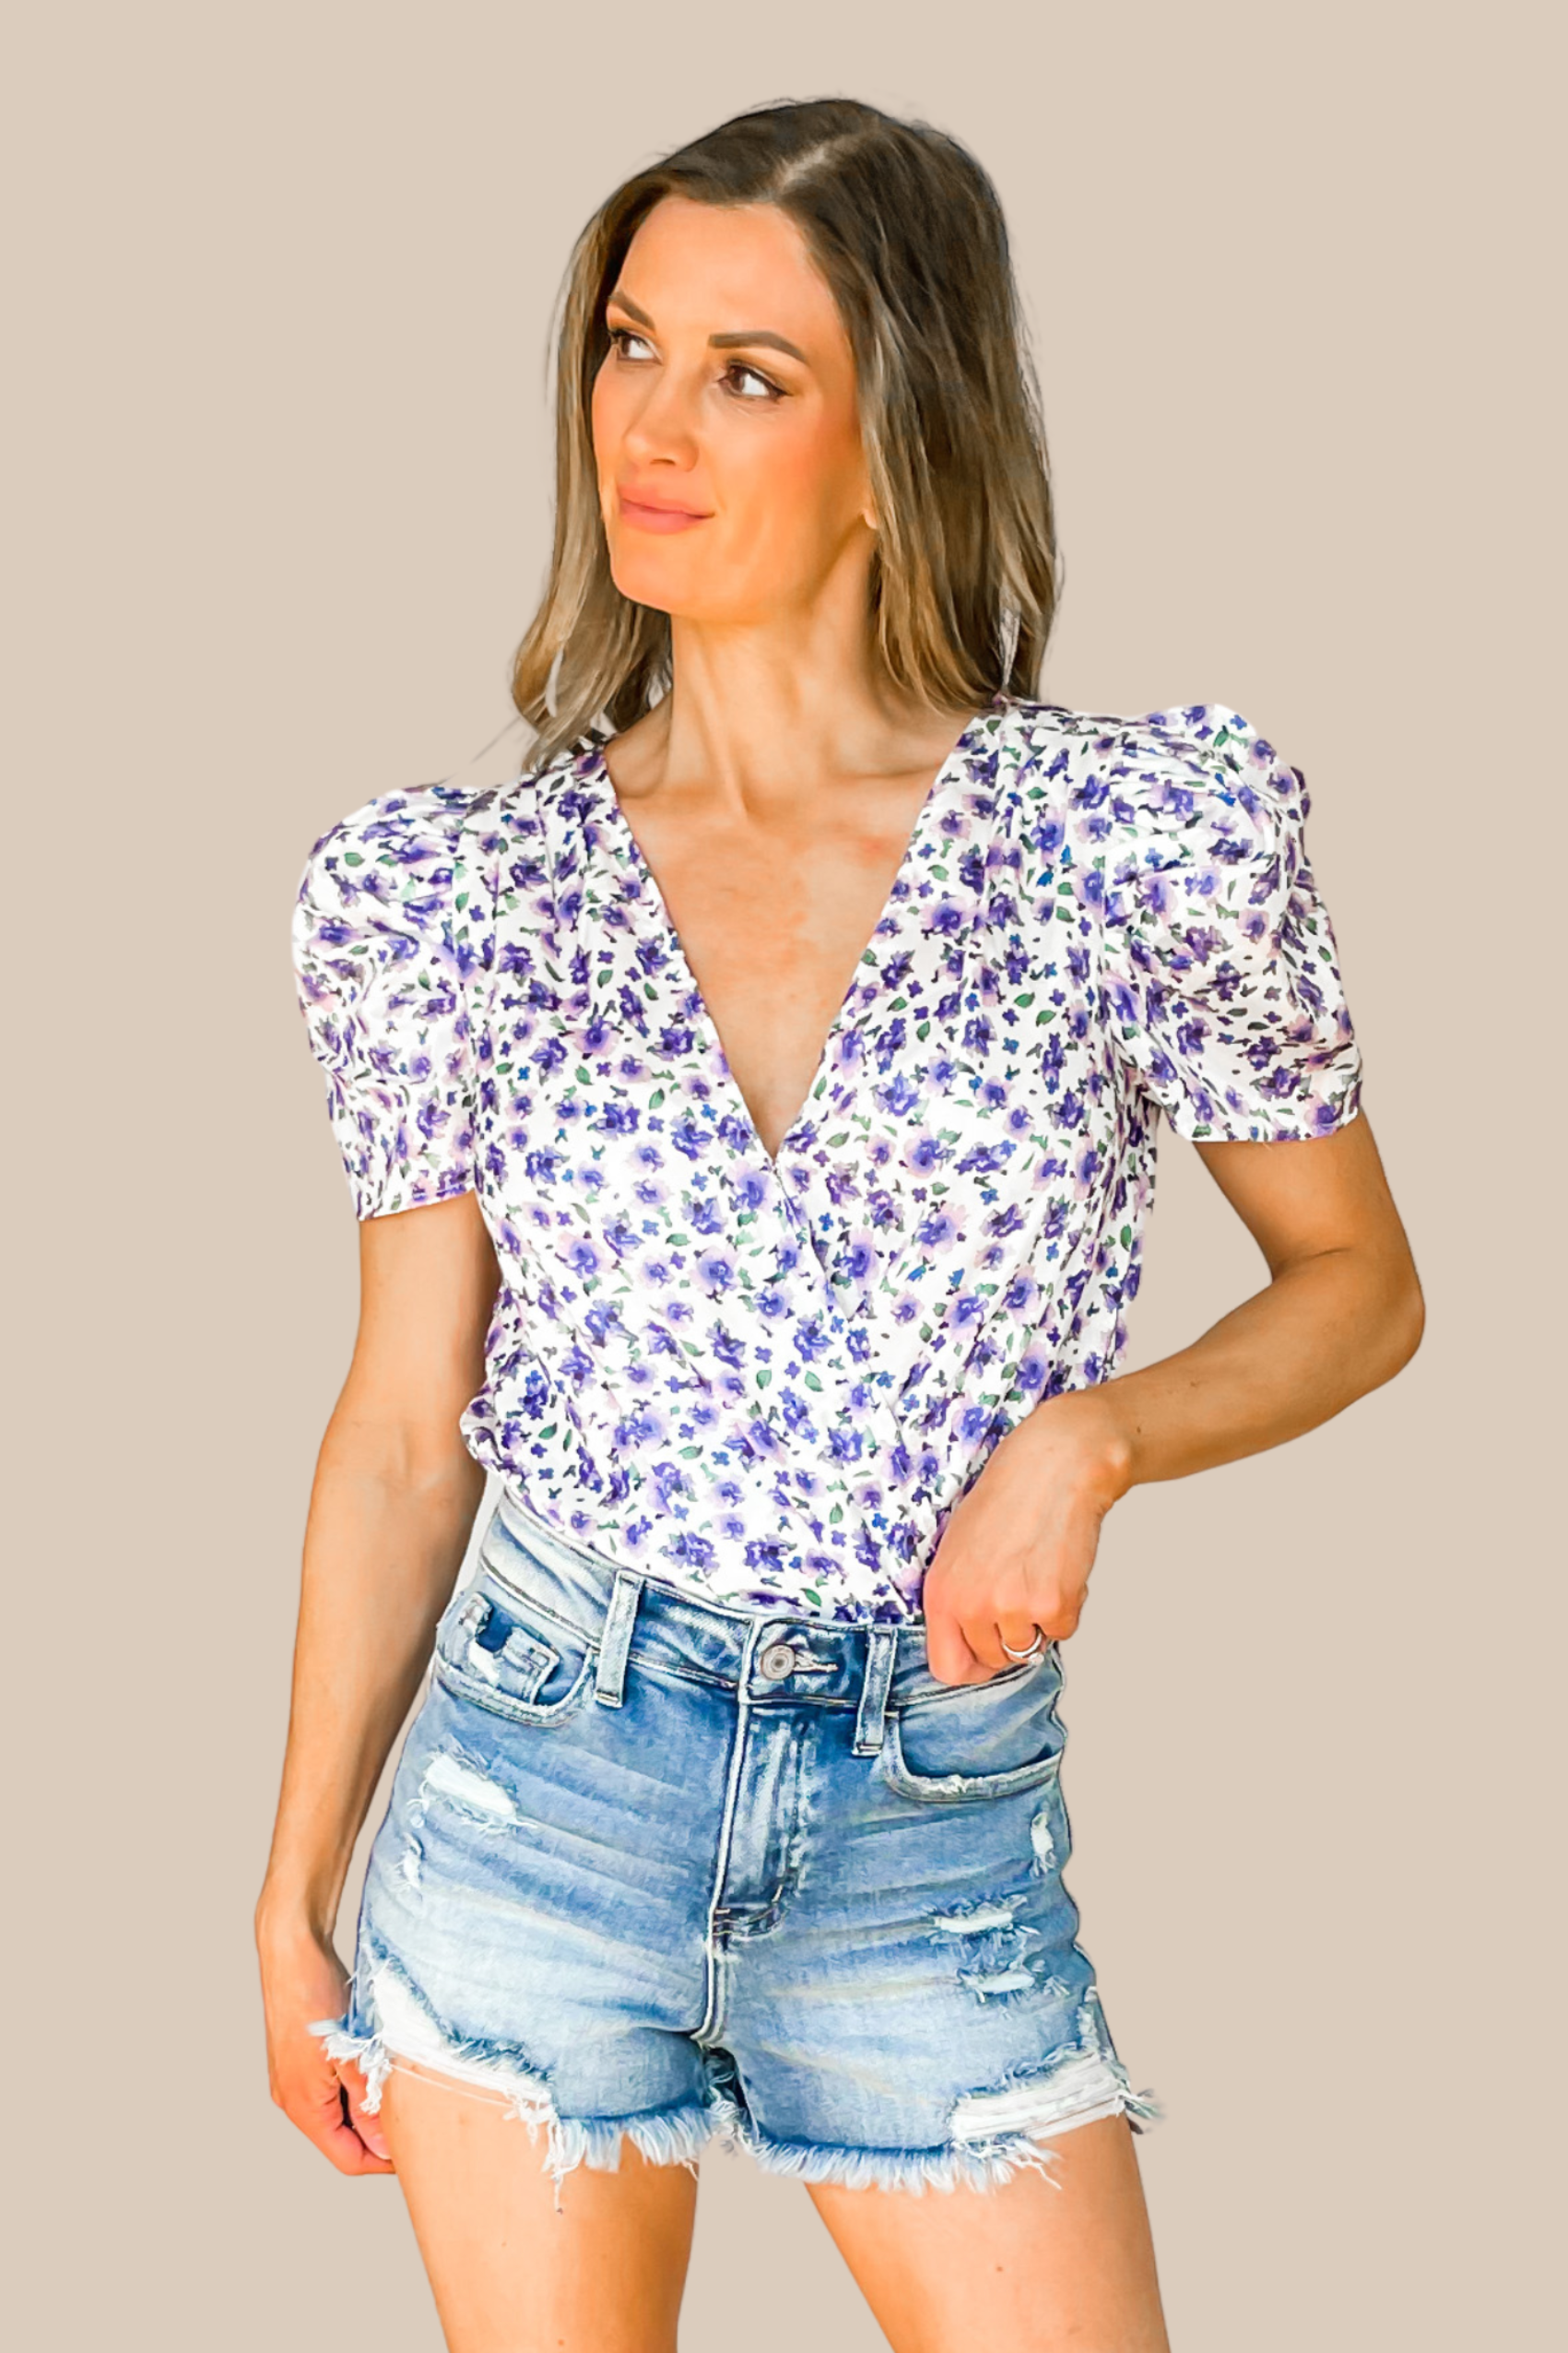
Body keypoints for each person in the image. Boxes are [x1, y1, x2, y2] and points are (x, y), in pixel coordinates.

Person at [256, 97, 1423, 2353]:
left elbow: (1361, 1284)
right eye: (627, 345)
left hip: (926, 1820)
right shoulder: (449, 895)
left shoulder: (1127, 842)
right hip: (538, 1787)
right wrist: (292, 1888)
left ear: (901, 434)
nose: (648, 425)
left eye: (746, 373)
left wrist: (1090, 1437)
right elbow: (406, 1421)